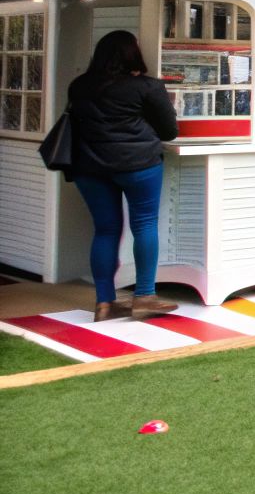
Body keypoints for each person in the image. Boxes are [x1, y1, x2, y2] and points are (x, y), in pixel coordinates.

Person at [66, 30, 180, 322]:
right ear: (133, 54)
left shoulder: (79, 86)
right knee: (144, 224)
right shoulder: (147, 87)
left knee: (105, 230)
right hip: (138, 165)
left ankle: (104, 303)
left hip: (89, 167)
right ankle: (144, 296)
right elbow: (169, 131)